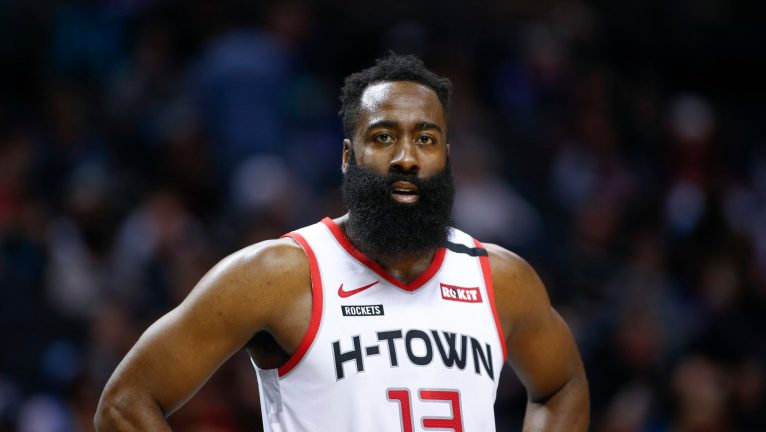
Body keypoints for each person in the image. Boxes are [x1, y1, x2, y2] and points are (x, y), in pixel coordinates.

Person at [94, 53, 589, 431]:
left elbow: (562, 385)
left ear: (446, 156)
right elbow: (124, 404)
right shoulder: (277, 274)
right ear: (348, 157)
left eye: (426, 139)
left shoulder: (500, 278)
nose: (407, 157)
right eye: (383, 137)